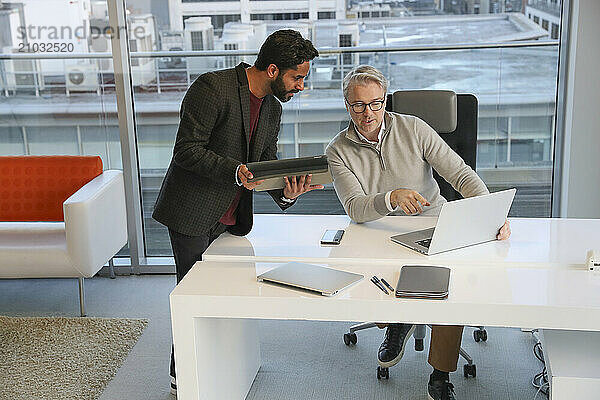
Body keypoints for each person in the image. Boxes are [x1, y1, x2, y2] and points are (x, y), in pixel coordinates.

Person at [152, 30, 322, 395]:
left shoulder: (272, 108)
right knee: (194, 297)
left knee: (224, 294)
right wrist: (233, 171)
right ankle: (182, 378)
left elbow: (265, 163)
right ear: (273, 70)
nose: (301, 86)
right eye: (298, 77)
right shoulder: (213, 88)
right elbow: (186, 151)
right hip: (192, 212)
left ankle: (221, 368)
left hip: (231, 217)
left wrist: (288, 192)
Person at [325, 65, 511, 400]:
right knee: (374, 281)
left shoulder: (414, 129)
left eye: (376, 103)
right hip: (377, 230)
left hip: (432, 222)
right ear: (347, 104)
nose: (368, 113)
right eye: (359, 105)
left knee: (448, 293)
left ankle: (440, 374)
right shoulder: (338, 150)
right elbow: (354, 207)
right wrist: (391, 197)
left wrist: (488, 211)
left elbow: (460, 175)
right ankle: (398, 321)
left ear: (385, 101)